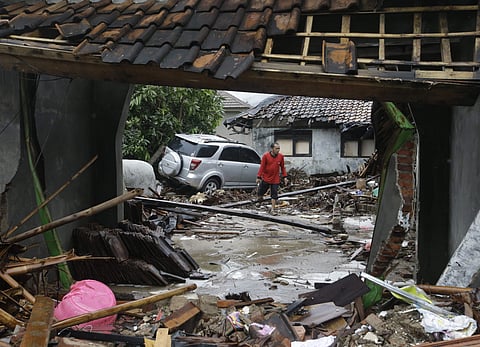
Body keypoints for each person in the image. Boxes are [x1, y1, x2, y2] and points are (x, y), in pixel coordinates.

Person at [256, 142, 288, 215]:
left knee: (274, 194)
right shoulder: (266, 156)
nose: (278, 150)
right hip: (266, 178)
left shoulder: (281, 156)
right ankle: (259, 201)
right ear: (272, 149)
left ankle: (272, 209)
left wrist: (285, 177)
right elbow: (262, 167)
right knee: (261, 192)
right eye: (276, 148)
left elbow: (283, 167)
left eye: (279, 148)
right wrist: (259, 176)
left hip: (275, 179)